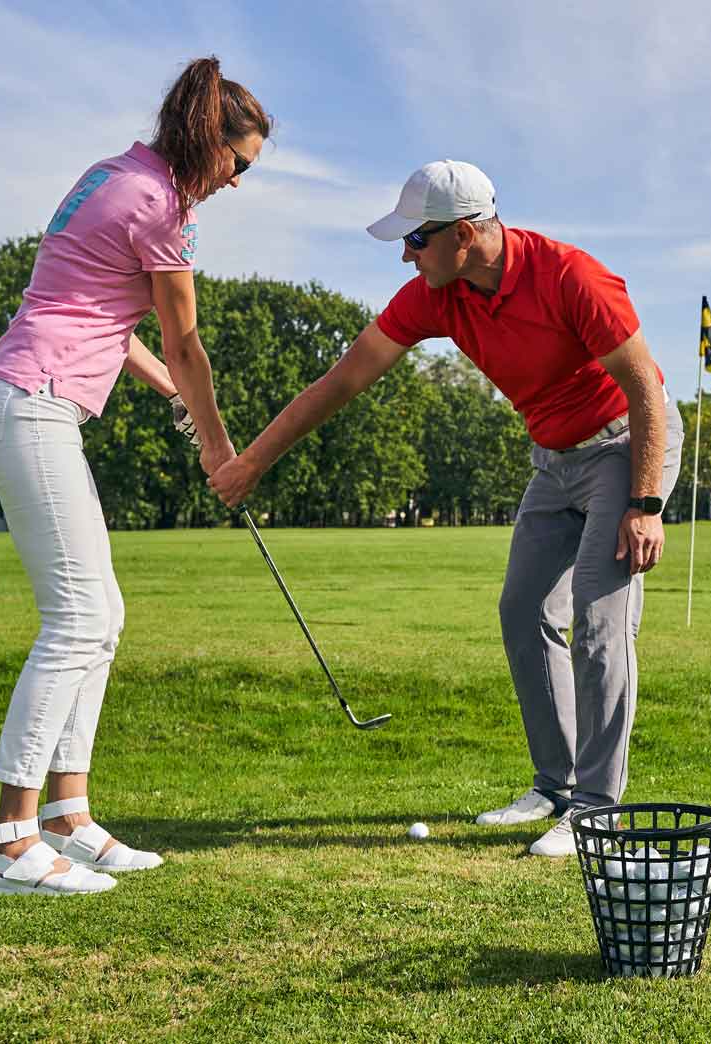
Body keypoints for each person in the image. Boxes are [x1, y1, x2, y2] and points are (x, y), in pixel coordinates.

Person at [208, 160, 682, 857]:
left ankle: (597, 810)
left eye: (416, 240)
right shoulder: (437, 294)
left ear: (464, 234)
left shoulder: (571, 276)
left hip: (623, 446)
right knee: (522, 610)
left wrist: (644, 504)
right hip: (553, 458)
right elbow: (343, 380)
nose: (406, 255)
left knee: (598, 620)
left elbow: (643, 386)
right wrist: (253, 461)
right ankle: (555, 786)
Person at [0, 57, 270, 895]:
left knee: (103, 615)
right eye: (238, 164)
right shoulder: (163, 206)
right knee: (77, 619)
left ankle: (68, 818)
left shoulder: (113, 175)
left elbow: (102, 317)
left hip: (22, 396)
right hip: (32, 400)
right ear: (207, 142)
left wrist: (173, 394)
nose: (237, 182)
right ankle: (9, 842)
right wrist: (218, 449)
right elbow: (185, 341)